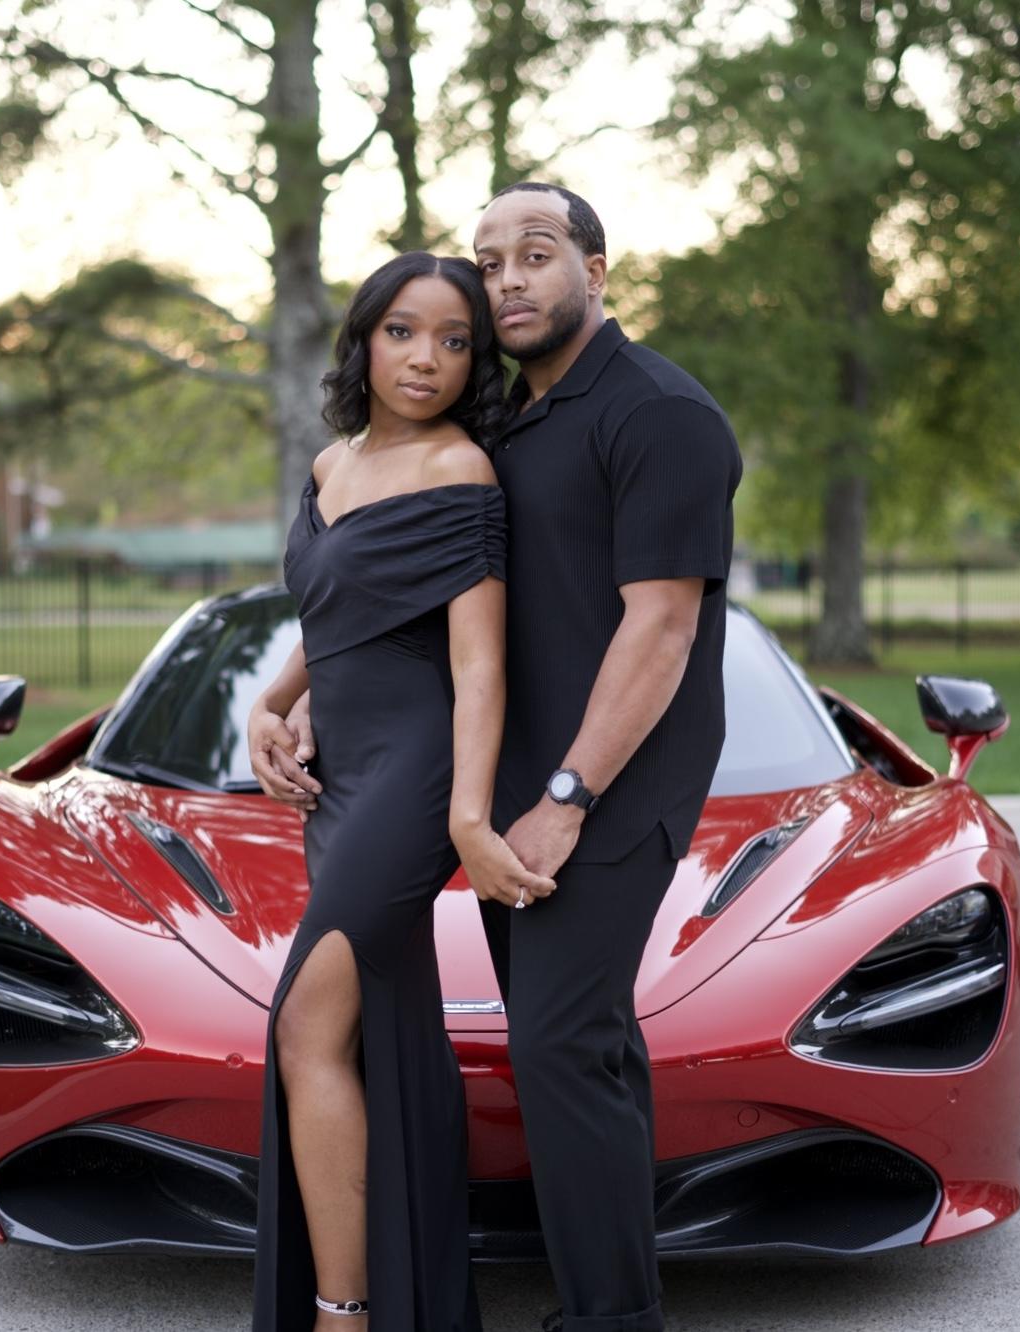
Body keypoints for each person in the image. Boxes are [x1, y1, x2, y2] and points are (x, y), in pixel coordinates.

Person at [259, 185, 742, 1332]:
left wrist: (565, 798)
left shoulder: (659, 412)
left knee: (563, 1045)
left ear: (596, 268)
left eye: (536, 254)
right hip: (489, 781)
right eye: (492, 262)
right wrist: (294, 696)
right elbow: (390, 597)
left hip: (602, 788)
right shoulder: (510, 424)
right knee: (576, 1050)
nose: (510, 279)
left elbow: (661, 629)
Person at [247, 250, 555, 1332]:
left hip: (414, 776)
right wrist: (273, 703)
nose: (427, 358)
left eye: (456, 341)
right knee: (380, 1030)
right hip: (340, 777)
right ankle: (412, 1298)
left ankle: (343, 1312)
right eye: (404, 332)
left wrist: (466, 817)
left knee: (306, 1028)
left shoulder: (459, 470)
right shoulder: (331, 465)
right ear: (365, 339)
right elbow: (336, 612)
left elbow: (480, 664)